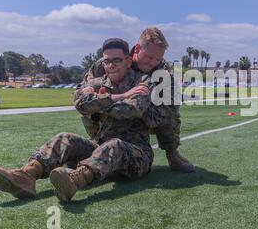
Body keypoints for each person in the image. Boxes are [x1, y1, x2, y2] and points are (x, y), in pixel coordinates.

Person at [0, 39, 157, 202]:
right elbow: (80, 103)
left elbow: (129, 110)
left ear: (128, 61)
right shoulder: (97, 82)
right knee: (64, 138)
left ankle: (74, 181)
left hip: (135, 155)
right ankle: (26, 176)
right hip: (99, 149)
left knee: (115, 144)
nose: (110, 65)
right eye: (106, 61)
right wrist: (119, 96)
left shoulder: (142, 82)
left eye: (116, 60)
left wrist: (96, 101)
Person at [83, 28, 194, 173]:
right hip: (109, 111)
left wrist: (137, 107)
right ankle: (97, 145)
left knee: (170, 113)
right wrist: (108, 100)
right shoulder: (109, 61)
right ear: (136, 49)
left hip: (145, 112)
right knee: (88, 109)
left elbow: (170, 108)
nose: (153, 63)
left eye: (158, 59)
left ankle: (172, 154)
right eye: (149, 57)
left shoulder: (164, 72)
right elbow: (84, 92)